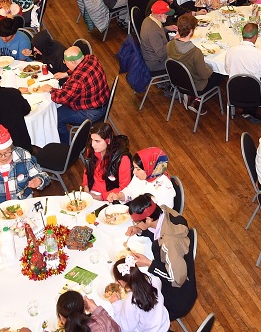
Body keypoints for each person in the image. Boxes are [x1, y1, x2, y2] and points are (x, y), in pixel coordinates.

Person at [124, 194, 197, 322]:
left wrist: (149, 264)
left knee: (135, 305)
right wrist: (139, 230)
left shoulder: (169, 242)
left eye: (136, 221)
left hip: (177, 298)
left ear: (147, 219)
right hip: (176, 273)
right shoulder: (162, 212)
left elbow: (176, 279)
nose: (135, 223)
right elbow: (157, 232)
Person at [33, 46, 112, 145]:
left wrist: (50, 89)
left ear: (73, 62)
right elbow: (79, 67)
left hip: (91, 112)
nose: (64, 63)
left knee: (54, 118)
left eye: (65, 62)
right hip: (101, 101)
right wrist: (66, 73)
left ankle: (65, 145)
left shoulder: (78, 80)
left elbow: (63, 98)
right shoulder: (91, 58)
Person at [0, 125, 50, 210]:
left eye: (7, 152)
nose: (3, 157)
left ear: (12, 148)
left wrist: (39, 180)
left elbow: (44, 176)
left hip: (24, 204)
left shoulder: (23, 156)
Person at [84, 122, 132, 202]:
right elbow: (87, 171)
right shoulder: (91, 151)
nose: (93, 144)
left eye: (97, 141)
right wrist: (86, 186)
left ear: (108, 141)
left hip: (110, 197)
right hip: (91, 192)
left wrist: (100, 197)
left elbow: (124, 188)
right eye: (92, 140)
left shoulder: (122, 159)